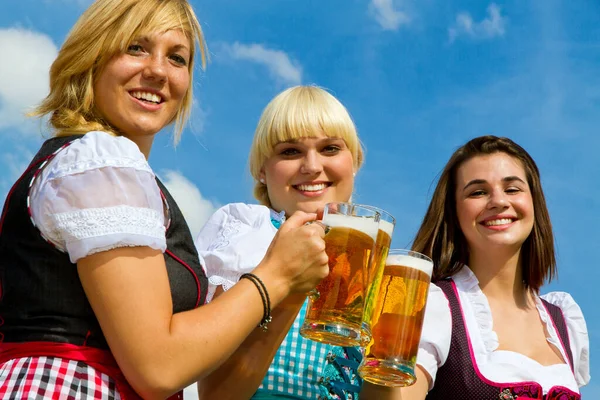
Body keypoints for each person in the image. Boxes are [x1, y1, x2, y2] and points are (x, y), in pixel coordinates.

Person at [0, 1, 330, 399]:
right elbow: (158, 365)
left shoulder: (98, 166)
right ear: (91, 56)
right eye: (135, 48)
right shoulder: (101, 161)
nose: (157, 71)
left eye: (177, 58)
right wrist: (275, 275)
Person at [361, 135, 590, 400]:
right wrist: (383, 354)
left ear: (535, 203)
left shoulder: (564, 321)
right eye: (478, 192)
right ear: (454, 213)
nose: (498, 201)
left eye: (513, 189)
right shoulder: (435, 306)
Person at [195, 85, 366, 400]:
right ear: (261, 169)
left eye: (330, 148)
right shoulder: (247, 231)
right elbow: (215, 393)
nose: (312, 166)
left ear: (354, 160)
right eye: (290, 151)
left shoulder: (374, 259)